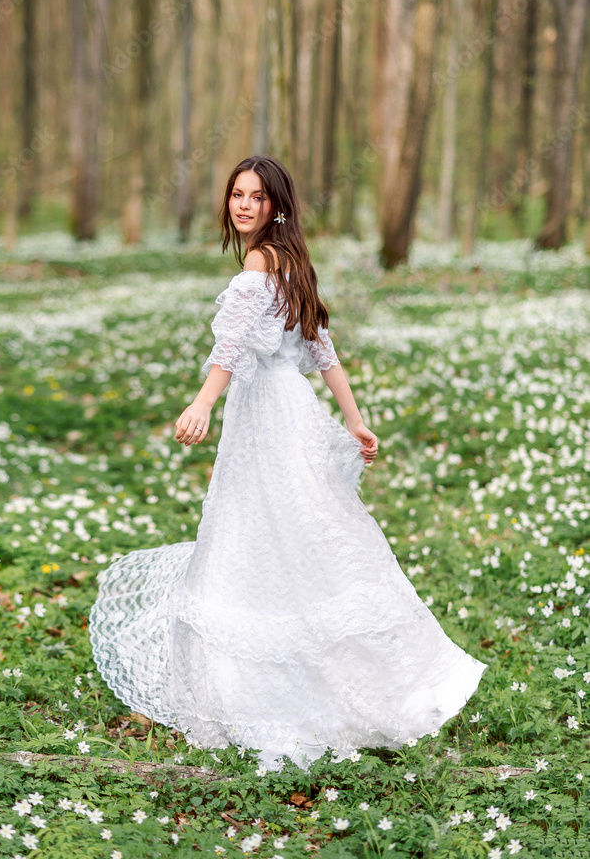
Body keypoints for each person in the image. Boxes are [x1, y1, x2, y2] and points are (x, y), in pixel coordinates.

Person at [88, 154, 488, 772]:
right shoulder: (293, 263)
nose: (243, 205)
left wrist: (201, 405)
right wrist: (353, 419)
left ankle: (282, 696)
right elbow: (323, 351)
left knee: (271, 534)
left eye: (256, 197)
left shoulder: (257, 267)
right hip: (284, 410)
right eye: (236, 195)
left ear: (277, 207)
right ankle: (326, 682)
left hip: (267, 415)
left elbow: (235, 348)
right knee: (295, 532)